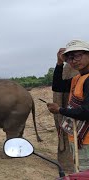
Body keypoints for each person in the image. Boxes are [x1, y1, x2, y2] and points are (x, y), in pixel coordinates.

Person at [47, 39, 89, 172]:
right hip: (79, 139)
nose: (74, 60)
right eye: (70, 58)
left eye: (78, 55)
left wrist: (60, 110)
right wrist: (59, 63)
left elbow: (87, 112)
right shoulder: (78, 78)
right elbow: (57, 86)